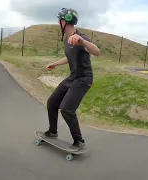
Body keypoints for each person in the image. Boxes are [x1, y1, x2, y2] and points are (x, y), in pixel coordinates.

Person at [42, 8, 100, 151]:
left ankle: (79, 141)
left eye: (59, 20)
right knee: (52, 102)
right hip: (73, 77)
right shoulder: (66, 38)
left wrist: (83, 42)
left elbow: (97, 52)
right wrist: (55, 64)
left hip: (84, 79)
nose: (57, 22)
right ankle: (53, 131)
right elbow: (69, 57)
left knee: (67, 109)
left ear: (64, 22)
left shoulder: (80, 37)